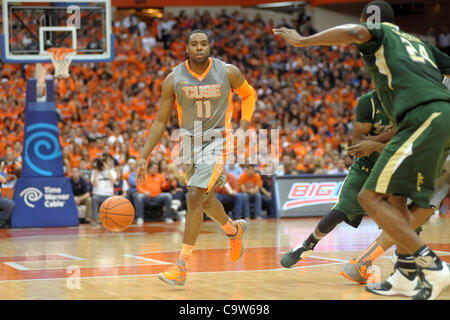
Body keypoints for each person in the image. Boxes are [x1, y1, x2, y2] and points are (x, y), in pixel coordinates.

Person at [273, 0, 450, 300]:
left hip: (422, 116)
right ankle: (406, 276)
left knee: (369, 197)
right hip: (433, 116)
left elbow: (355, 32)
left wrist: (303, 41)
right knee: (394, 199)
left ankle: (431, 265)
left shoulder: (378, 33)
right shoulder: (420, 44)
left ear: (371, 20)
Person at [136, 29, 257, 286]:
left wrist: (243, 128)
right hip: (189, 143)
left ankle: (181, 266)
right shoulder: (173, 79)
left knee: (193, 195)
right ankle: (233, 230)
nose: (200, 47)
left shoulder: (228, 71)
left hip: (218, 140)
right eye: (194, 44)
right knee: (204, 199)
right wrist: (143, 156)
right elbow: (160, 122)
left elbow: (249, 95)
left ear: (209, 47)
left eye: (204, 43)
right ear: (187, 48)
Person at [90, 156, 117, 226]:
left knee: (112, 199)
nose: (103, 165)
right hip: (98, 195)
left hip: (108, 195)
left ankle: (110, 219)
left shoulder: (112, 171)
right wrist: (96, 171)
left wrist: (108, 169)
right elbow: (95, 184)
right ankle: (95, 219)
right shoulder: (94, 172)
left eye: (105, 163)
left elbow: (113, 181)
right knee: (94, 198)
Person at [0, 160, 14, 228]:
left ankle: (2, 221)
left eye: (2, 166)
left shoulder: (1, 174)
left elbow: (4, 181)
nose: (1, 167)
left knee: (9, 204)